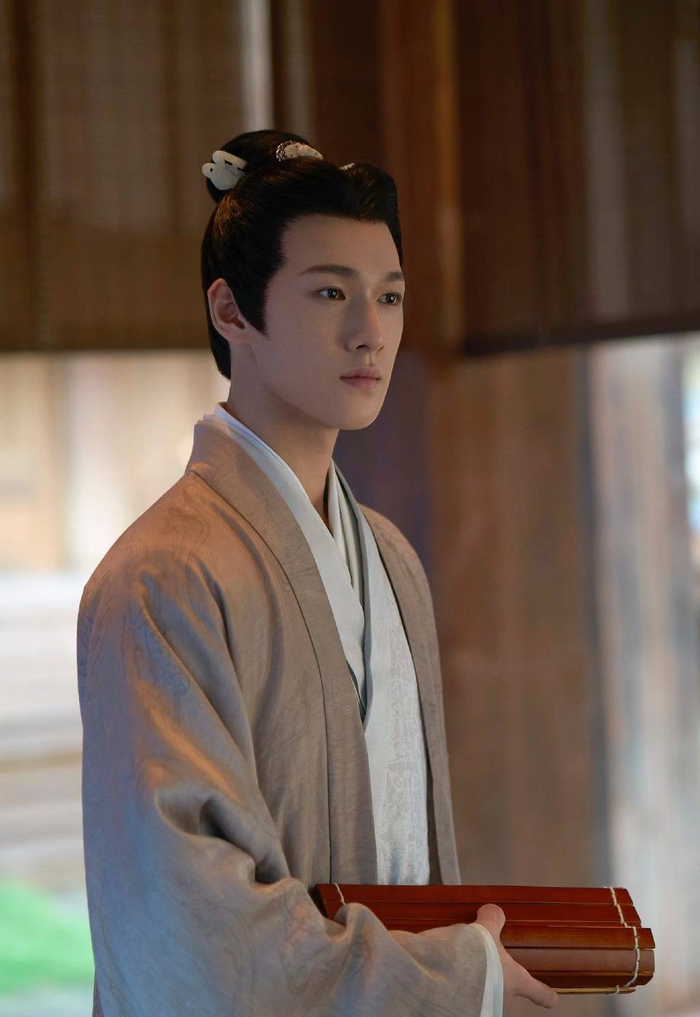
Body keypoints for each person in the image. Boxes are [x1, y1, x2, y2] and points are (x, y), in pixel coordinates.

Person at [77, 129, 559, 1017]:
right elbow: (189, 932)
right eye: (331, 291)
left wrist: (456, 971)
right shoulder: (162, 577)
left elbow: (417, 876)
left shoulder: (391, 559)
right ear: (232, 310)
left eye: (390, 295)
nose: (370, 331)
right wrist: (454, 978)